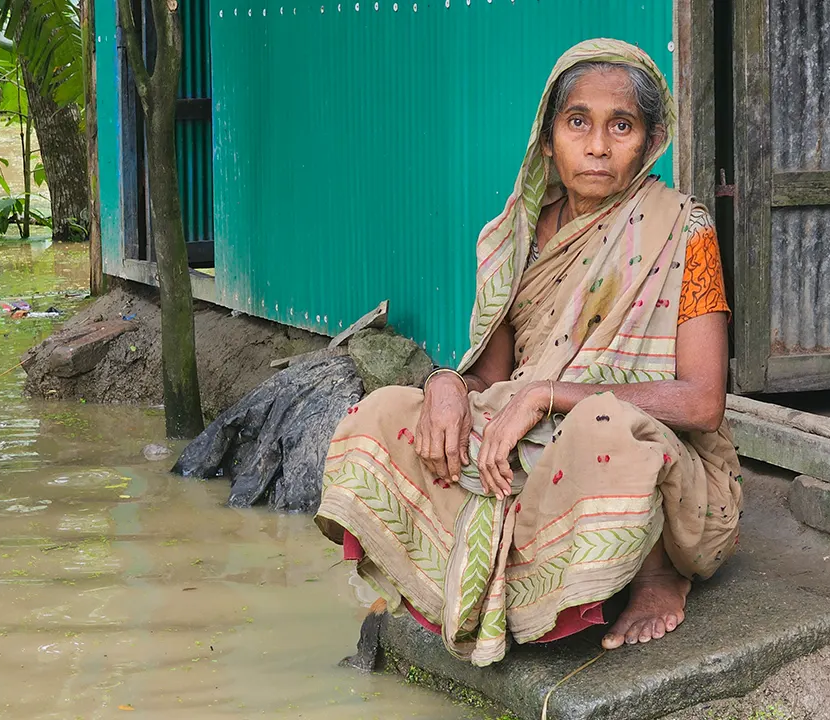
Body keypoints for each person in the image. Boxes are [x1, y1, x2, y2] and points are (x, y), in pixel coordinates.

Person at [314, 38, 743, 667]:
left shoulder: (683, 228)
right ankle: (514, 574)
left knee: (605, 426)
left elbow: (703, 403)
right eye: (578, 123)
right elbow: (491, 376)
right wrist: (444, 387)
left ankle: (656, 573)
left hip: (644, 457)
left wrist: (549, 396)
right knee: (382, 413)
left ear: (651, 142)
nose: (598, 145)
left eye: (620, 125)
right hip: (525, 451)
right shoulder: (514, 236)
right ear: (547, 139)